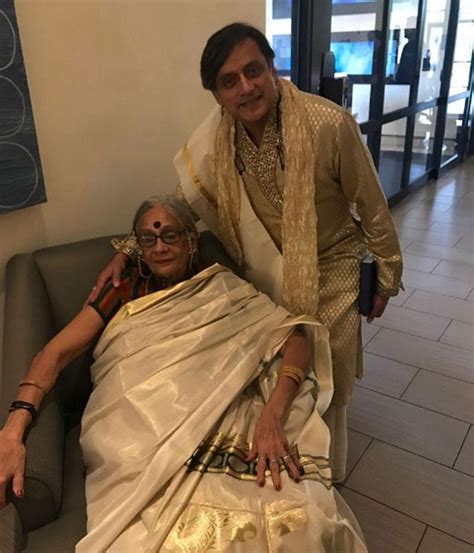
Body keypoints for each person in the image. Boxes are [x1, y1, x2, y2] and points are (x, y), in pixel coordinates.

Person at [89, 23, 403, 482]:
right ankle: (288, 452)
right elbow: (183, 204)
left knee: (328, 367)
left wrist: (388, 276)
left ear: (273, 69)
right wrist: (130, 248)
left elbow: (373, 205)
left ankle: (327, 469)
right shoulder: (219, 139)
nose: (246, 87)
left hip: (333, 262)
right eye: (229, 81)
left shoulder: (328, 124)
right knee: (283, 367)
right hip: (268, 268)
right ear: (216, 95)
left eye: (253, 71)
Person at [0, 196, 368, 551]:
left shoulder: (222, 287)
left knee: (297, 520)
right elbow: (55, 353)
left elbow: (296, 338)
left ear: (191, 240)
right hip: (137, 421)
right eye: (148, 238)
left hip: (222, 415)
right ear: (138, 247)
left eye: (170, 235)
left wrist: (273, 414)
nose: (159, 246)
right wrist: (14, 430)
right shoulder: (122, 290)